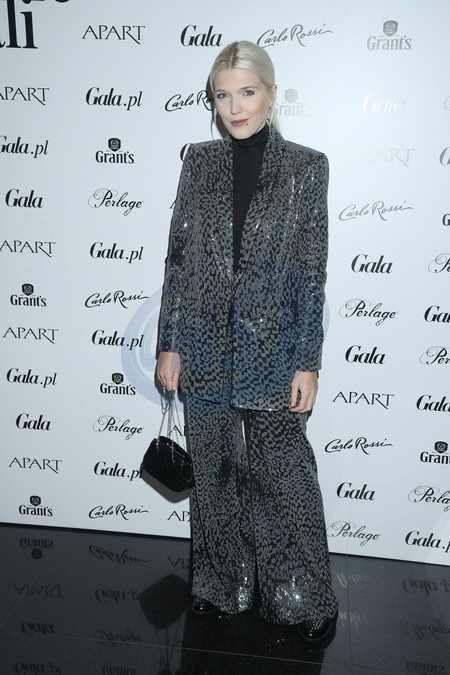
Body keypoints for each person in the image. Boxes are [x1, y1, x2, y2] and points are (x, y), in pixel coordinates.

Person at [156, 40, 338, 643]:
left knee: (284, 475)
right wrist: (170, 342)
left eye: (247, 92)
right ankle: (219, 585)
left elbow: (310, 271)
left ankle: (302, 594)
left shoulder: (307, 167)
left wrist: (307, 361)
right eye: (222, 95)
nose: (234, 107)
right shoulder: (199, 162)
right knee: (213, 470)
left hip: (275, 348)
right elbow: (180, 258)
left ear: (271, 94)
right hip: (204, 343)